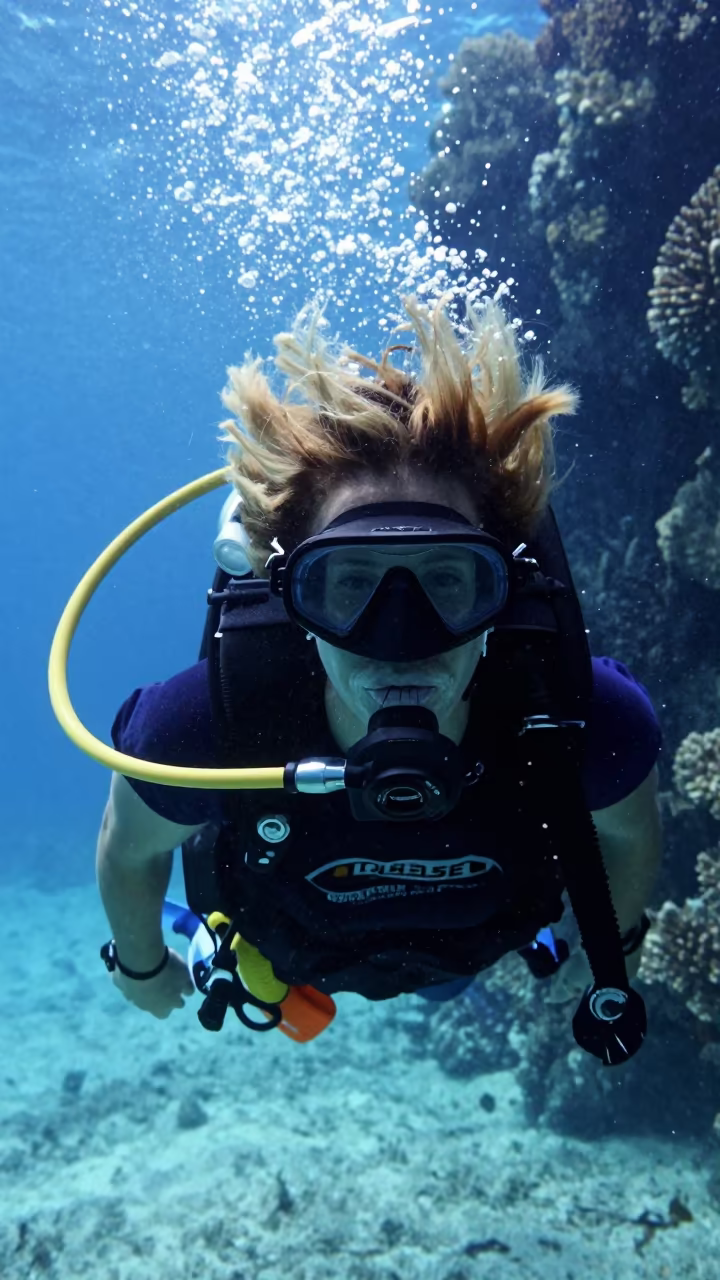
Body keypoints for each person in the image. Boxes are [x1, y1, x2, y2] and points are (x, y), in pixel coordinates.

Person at [96, 295, 662, 1062]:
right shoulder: (207, 726)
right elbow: (128, 848)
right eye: (350, 585)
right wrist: (141, 964)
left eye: (449, 581)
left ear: (506, 592)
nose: (401, 641)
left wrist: (613, 943)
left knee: (444, 984)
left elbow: (628, 832)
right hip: (292, 955)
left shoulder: (581, 718)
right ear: (290, 595)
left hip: (472, 950)